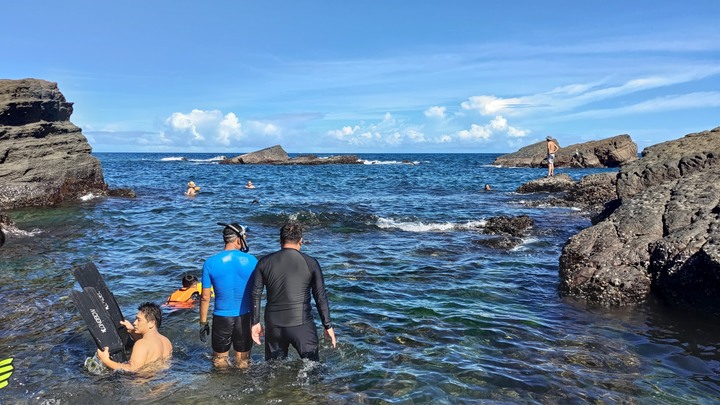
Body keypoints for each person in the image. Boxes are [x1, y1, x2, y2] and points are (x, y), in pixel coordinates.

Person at [251, 221, 336, 362]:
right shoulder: (311, 263)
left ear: (280, 240)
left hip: (274, 325)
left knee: (274, 370)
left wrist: (255, 323)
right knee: (312, 369)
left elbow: (255, 294)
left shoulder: (263, 262)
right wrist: (327, 325)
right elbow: (320, 296)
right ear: (301, 241)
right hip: (301, 326)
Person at [199, 222, 258, 368]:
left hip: (222, 317)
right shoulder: (252, 261)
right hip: (244, 316)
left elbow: (205, 297)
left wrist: (203, 323)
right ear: (239, 239)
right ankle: (242, 388)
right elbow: (257, 292)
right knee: (243, 362)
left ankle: (221, 389)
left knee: (220, 361)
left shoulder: (210, 263)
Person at [96, 302, 172, 373]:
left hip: (142, 384)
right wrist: (132, 331)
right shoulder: (166, 341)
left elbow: (131, 369)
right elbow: (150, 350)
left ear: (151, 323)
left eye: (138, 320)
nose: (134, 323)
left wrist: (106, 360)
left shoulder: (142, 344)